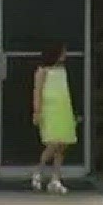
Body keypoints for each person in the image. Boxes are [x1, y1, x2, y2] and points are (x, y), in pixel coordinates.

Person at [31, 42, 77, 193]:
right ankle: (38, 171)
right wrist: (37, 111)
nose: (65, 54)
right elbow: (37, 92)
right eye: (63, 52)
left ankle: (55, 179)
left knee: (63, 145)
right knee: (53, 143)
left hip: (63, 109)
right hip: (49, 110)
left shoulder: (62, 70)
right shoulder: (42, 71)